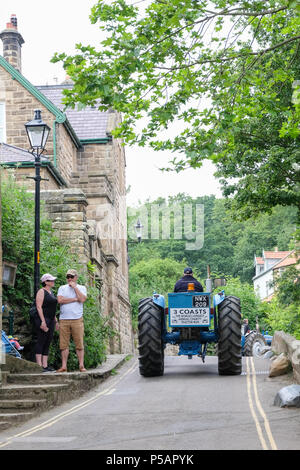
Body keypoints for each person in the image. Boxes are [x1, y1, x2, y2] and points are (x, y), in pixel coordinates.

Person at [56, 269, 87, 373]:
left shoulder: (82, 288)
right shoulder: (62, 288)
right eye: (68, 277)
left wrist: (75, 289)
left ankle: (81, 365)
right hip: (64, 319)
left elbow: (82, 299)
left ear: (76, 277)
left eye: (71, 277)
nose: (69, 279)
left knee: (79, 343)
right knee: (63, 344)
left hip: (77, 319)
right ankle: (64, 366)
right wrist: (74, 299)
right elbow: (60, 300)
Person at [35, 273, 58, 372]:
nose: (53, 282)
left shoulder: (51, 292)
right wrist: (43, 321)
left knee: (48, 341)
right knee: (41, 341)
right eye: (51, 280)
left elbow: (52, 308)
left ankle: (45, 365)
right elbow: (39, 307)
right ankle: (39, 365)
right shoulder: (41, 291)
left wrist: (56, 320)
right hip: (44, 319)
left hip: (51, 320)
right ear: (45, 282)